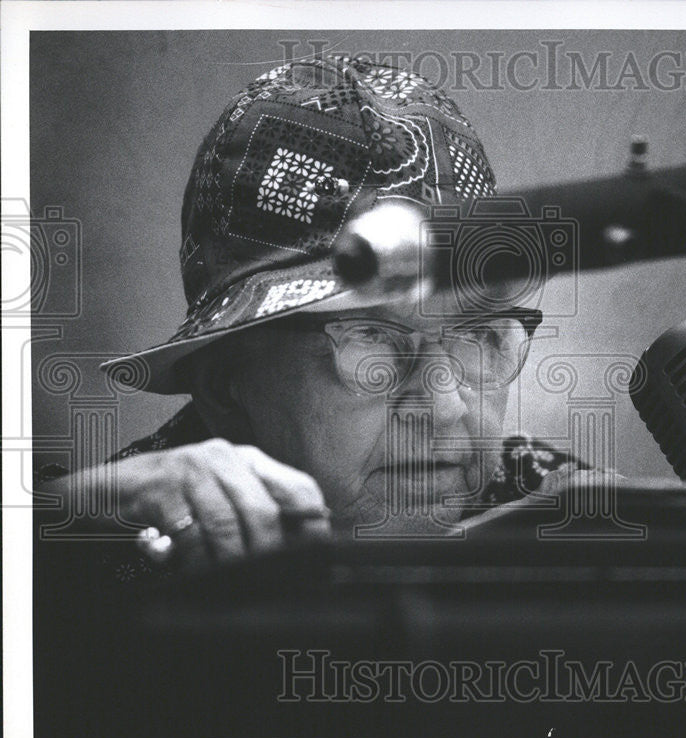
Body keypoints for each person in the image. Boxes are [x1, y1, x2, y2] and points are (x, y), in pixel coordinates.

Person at [39, 55, 593, 577]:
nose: (445, 408)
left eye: (478, 337)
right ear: (225, 387)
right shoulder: (86, 552)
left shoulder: (570, 517)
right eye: (370, 340)